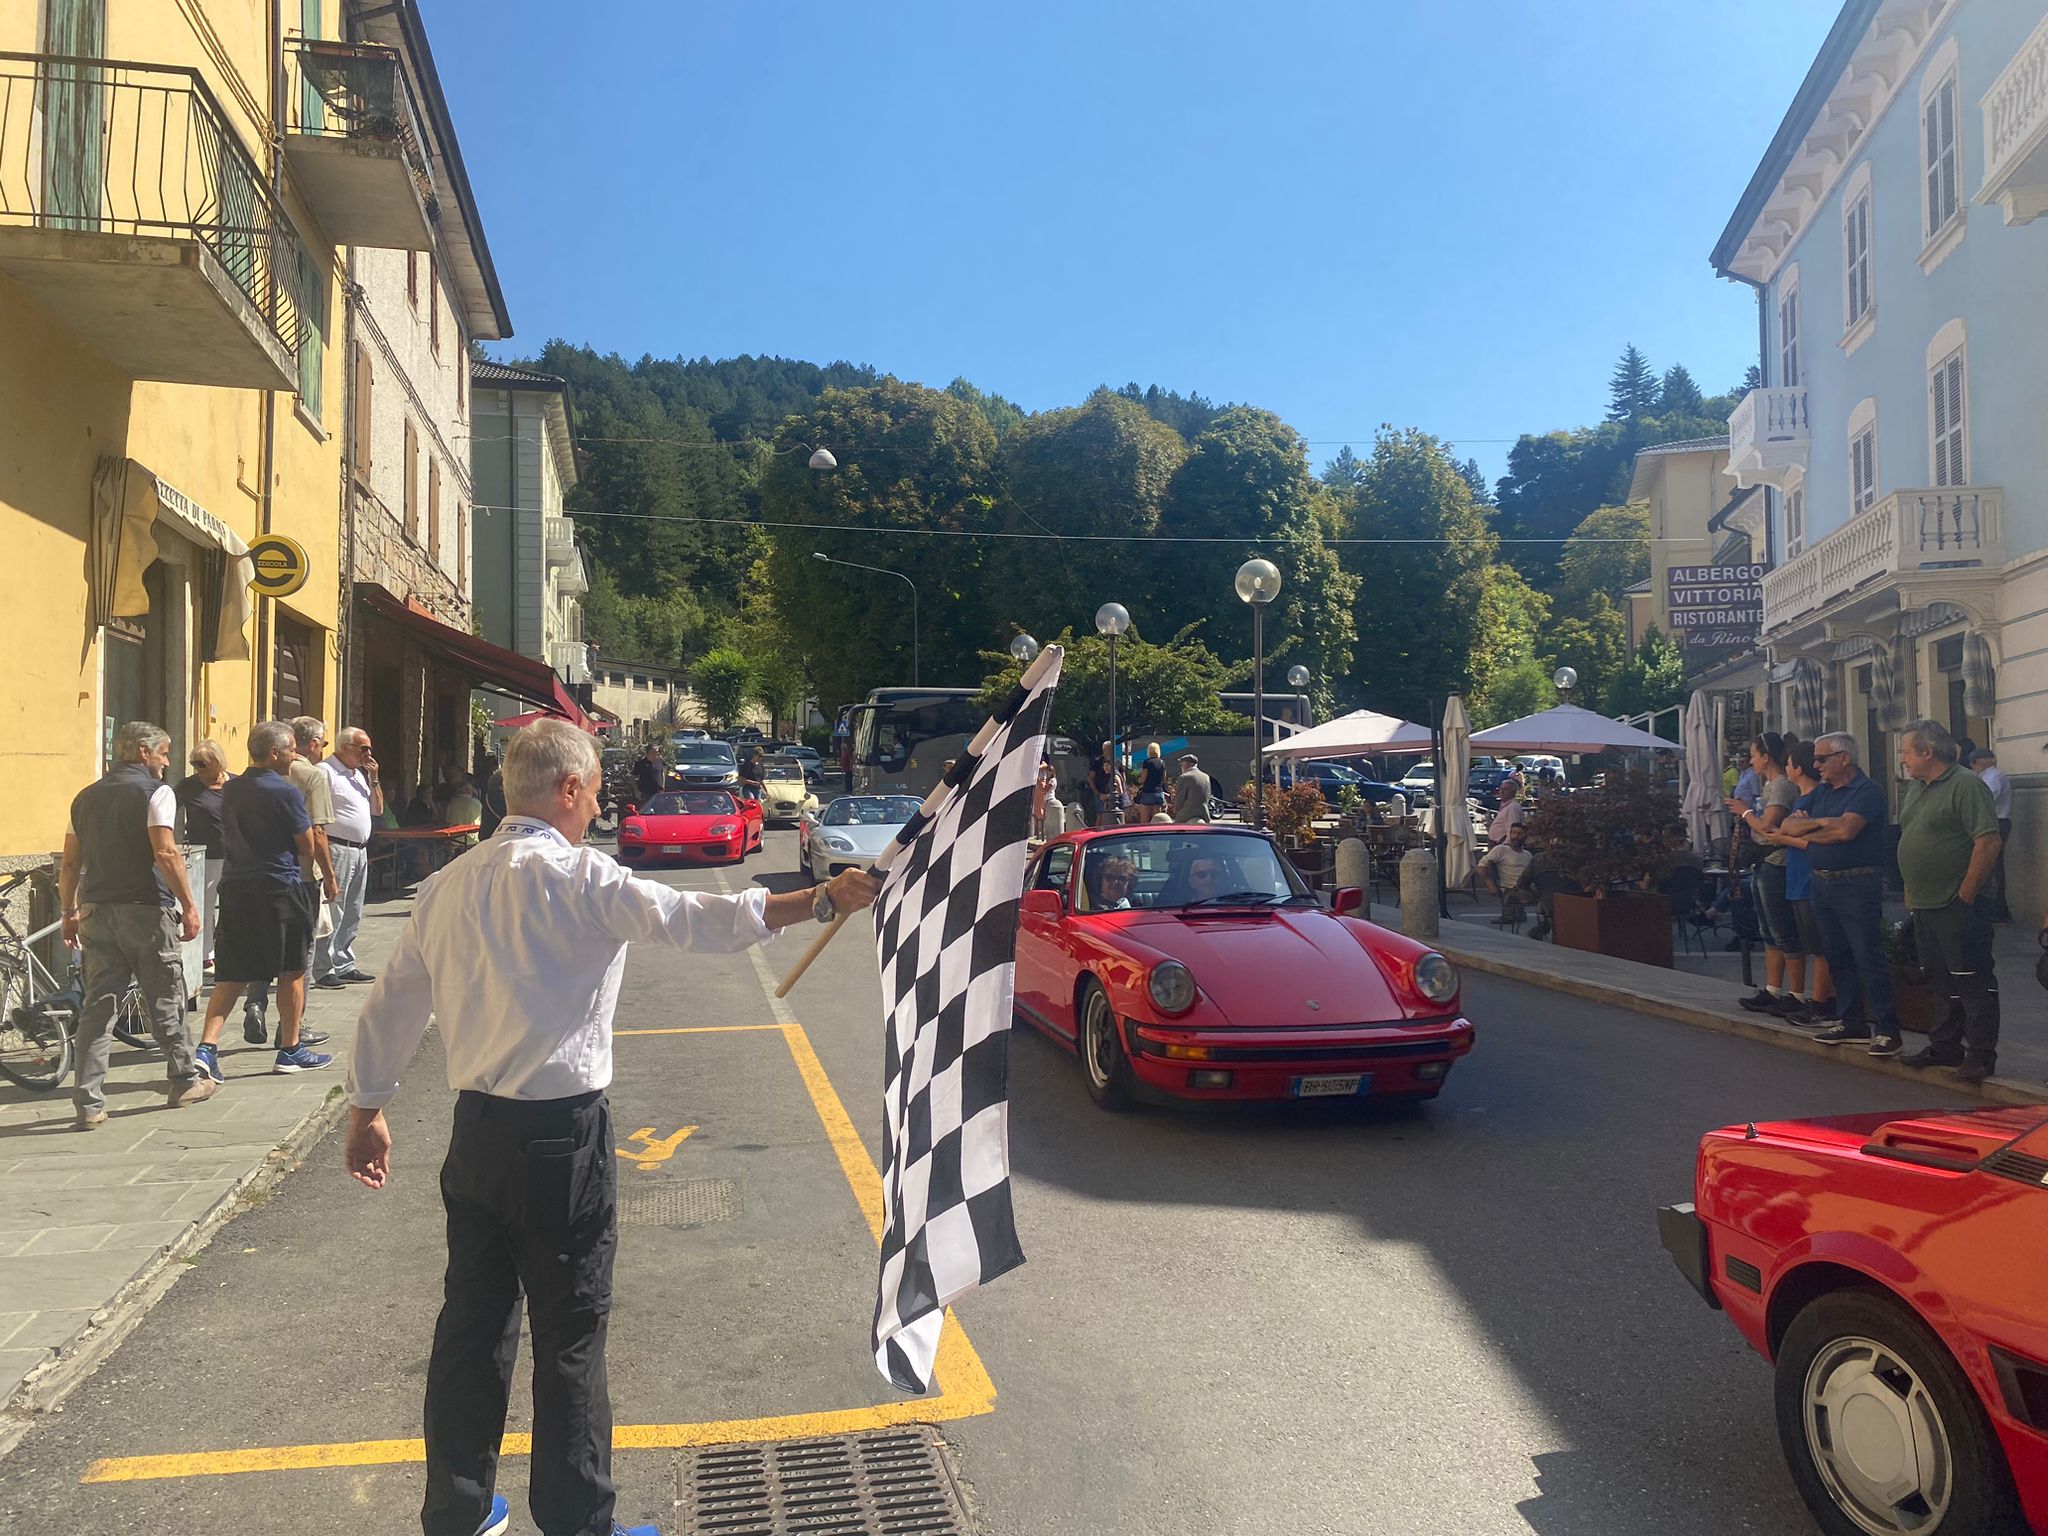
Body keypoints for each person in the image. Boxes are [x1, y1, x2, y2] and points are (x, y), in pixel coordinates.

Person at [343, 720, 880, 1536]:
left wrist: (367, 1108)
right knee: (570, 1337)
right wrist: (820, 899)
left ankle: (456, 1514)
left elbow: (393, 1003)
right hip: (561, 1137)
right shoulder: (585, 877)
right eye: (593, 788)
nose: (597, 802)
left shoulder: (451, 884)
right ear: (566, 790)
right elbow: (700, 921)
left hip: (477, 1130)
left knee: (471, 1324)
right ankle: (578, 1522)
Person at [59, 722, 214, 1129]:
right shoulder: (155, 792)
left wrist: (68, 911)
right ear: (144, 753)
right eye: (163, 753)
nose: (167, 761)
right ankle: (183, 1079)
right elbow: (165, 852)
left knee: (98, 1007)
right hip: (145, 909)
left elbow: (71, 861)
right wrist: (189, 904)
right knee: (164, 997)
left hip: (96, 909)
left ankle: (88, 1103)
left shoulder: (85, 797)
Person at [194, 722, 335, 1083]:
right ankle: (290, 1049)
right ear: (274, 753)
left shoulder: (231, 788)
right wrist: (327, 874)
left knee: (232, 972)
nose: (295, 755)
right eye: (290, 750)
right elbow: (306, 842)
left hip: (237, 886)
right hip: (281, 887)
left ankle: (207, 1048)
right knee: (291, 971)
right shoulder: (285, 792)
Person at [1776, 732, 1899, 1056]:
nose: (1815, 765)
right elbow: (1787, 826)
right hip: (1822, 881)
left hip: (1857, 883)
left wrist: (1814, 828)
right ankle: (1851, 1020)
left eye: (1822, 758)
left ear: (1845, 758)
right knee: (1836, 955)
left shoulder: (1866, 791)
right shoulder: (1823, 792)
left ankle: (1886, 1028)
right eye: (1815, 759)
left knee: (1867, 955)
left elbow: (1848, 831)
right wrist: (1823, 827)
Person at [1895, 720, 2002, 1082]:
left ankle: (1981, 1054)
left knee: (1971, 978)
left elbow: (1987, 842)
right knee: (1939, 977)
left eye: (1906, 751)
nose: (1902, 759)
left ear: (1927, 751)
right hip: (1925, 902)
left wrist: (1966, 894)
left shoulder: (1965, 785)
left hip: (1957, 902)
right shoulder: (1916, 788)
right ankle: (1945, 1045)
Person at [1730, 733, 1806, 1018]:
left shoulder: (1782, 787)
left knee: (1783, 930)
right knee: (1768, 931)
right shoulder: (1769, 785)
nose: (1750, 761)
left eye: (1753, 755)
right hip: (1764, 863)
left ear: (1766, 756)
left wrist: (1745, 811)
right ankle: (1773, 989)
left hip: (1777, 863)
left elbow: (1768, 826)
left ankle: (1796, 993)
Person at [1766, 740, 1835, 1025]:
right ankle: (1811, 998)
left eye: (1789, 763)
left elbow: (1812, 839)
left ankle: (1822, 1001)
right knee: (1810, 941)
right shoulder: (1801, 799)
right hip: (1796, 878)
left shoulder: (1817, 797)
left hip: (1809, 876)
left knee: (1820, 945)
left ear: (1798, 767)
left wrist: (1784, 837)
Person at [314, 726, 383, 990]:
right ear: (344, 748)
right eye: (363, 748)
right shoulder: (325, 772)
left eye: (369, 748)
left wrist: (374, 778)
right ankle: (324, 968)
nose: (368, 753)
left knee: (353, 909)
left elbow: (377, 810)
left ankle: (343, 962)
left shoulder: (359, 776)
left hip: (360, 849)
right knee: (334, 908)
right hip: (336, 848)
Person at [174, 739, 232, 974]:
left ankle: (230, 952)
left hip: (235, 855)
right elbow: (168, 813)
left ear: (218, 762)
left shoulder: (235, 784)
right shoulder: (188, 787)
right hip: (205, 856)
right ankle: (207, 956)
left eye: (203, 764)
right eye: (194, 764)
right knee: (204, 905)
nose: (198, 769)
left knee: (233, 906)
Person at [1970, 748, 2013, 922]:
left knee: (1993, 867)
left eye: (1974, 763)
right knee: (1992, 866)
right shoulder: (1986, 776)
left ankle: (1999, 910)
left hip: (1997, 822)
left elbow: (1989, 796)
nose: (1972, 767)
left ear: (1983, 761)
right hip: (1996, 822)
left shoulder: (1993, 776)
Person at [1476, 822, 1535, 914]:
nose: (1516, 836)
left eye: (1520, 834)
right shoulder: (1501, 850)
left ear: (1525, 836)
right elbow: (1481, 867)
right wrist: (1489, 884)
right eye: (1513, 833)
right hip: (1511, 890)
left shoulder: (1528, 855)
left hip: (1528, 888)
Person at [1169, 753, 1213, 824]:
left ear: (1188, 764)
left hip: (1186, 815)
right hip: (1204, 814)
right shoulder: (1206, 776)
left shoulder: (1184, 777)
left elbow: (1180, 799)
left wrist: (1175, 811)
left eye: (1181, 765)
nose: (1181, 767)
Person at [1132, 743, 1169, 824]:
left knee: (1144, 821)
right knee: (1156, 820)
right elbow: (1164, 779)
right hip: (1158, 792)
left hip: (1148, 792)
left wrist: (1138, 779)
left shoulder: (1147, 762)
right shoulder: (1162, 762)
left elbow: (1143, 779)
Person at [1487, 779, 1525, 844]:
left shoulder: (1512, 808)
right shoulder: (1505, 805)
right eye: (1501, 789)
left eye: (1505, 789)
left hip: (1502, 845)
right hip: (1495, 843)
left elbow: (1513, 830)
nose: (1501, 792)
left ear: (1513, 792)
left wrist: (1505, 847)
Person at [1032, 759, 1057, 841]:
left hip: (1049, 799)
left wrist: (1040, 781)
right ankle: (1040, 835)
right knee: (1040, 816)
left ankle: (1044, 836)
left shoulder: (1052, 780)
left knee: (1044, 817)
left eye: (1049, 771)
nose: (1047, 773)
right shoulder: (1049, 780)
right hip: (1045, 799)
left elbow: (1045, 789)